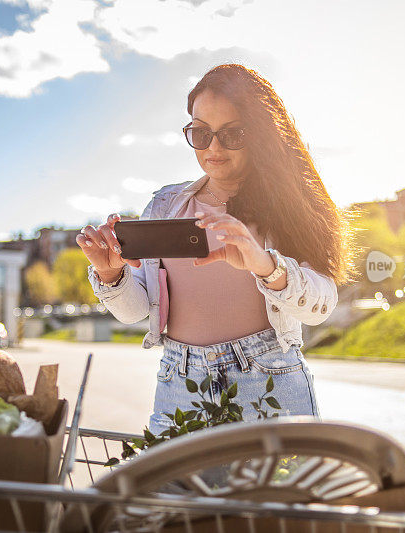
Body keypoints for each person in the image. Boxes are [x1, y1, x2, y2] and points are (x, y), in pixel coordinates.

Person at [77, 63, 355, 437]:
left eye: (233, 133)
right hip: (179, 384)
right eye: (201, 133)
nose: (214, 148)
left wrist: (266, 266)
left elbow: (321, 306)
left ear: (261, 134)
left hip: (269, 382)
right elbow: (135, 312)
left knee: (271, 498)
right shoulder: (166, 205)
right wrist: (111, 275)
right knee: (177, 498)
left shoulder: (292, 207)